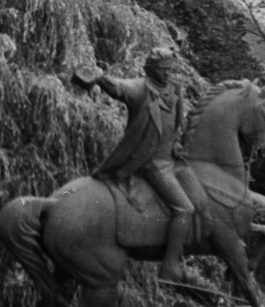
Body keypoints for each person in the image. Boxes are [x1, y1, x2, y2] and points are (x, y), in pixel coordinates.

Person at [72, 46, 194, 284]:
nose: (168, 73)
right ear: (150, 70)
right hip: (152, 164)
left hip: (172, 158)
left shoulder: (175, 88)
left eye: (170, 68)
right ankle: (169, 266)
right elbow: (118, 86)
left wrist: (177, 142)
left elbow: (177, 123)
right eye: (163, 70)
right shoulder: (139, 89)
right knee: (185, 209)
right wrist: (98, 77)